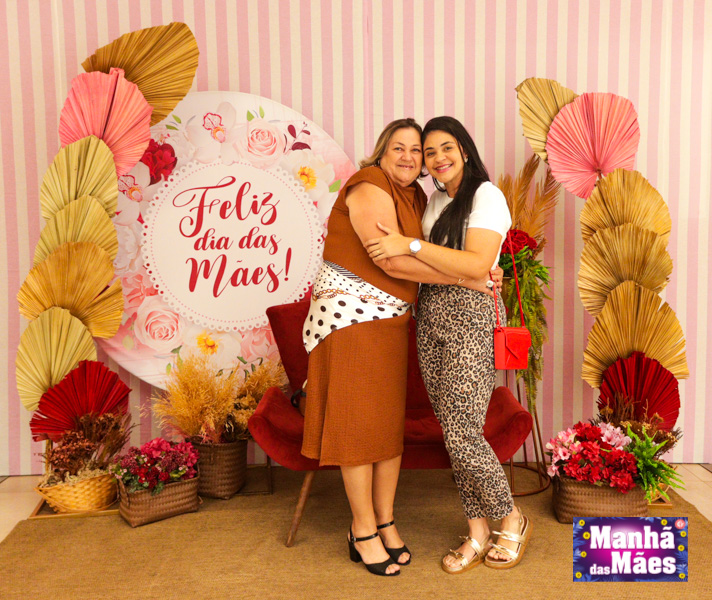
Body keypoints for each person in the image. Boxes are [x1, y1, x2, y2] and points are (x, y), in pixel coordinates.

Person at [301, 118, 497, 577]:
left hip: (391, 323)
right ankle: (362, 529)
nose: (410, 157)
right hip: (351, 321)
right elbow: (390, 260)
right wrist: (468, 277)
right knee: (357, 428)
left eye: (417, 150)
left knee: (386, 429)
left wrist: (481, 270)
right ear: (381, 152)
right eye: (400, 148)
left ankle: (386, 521)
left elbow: (429, 254)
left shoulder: (419, 198)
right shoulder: (369, 184)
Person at [365, 116, 532, 572]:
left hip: (471, 317)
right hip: (431, 315)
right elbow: (459, 267)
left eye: (446, 148)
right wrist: (459, 269)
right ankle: (477, 530)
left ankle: (511, 518)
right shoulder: (435, 200)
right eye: (429, 151)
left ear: (464, 150)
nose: (438, 158)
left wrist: (411, 246)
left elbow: (477, 263)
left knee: (463, 432)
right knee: (452, 430)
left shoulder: (486, 195)